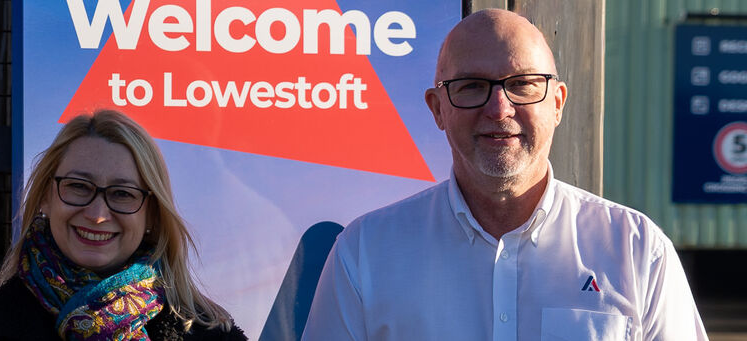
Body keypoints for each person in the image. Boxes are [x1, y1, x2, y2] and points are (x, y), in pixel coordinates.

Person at [302, 9, 708, 340]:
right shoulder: (365, 254)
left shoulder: (637, 253)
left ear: (558, 103)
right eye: (472, 86)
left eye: (523, 84)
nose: (499, 109)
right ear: (437, 109)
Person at [0, 110, 246, 340]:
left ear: (152, 213)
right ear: (46, 196)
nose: (97, 214)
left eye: (122, 194)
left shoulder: (214, 337)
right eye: (78, 187)